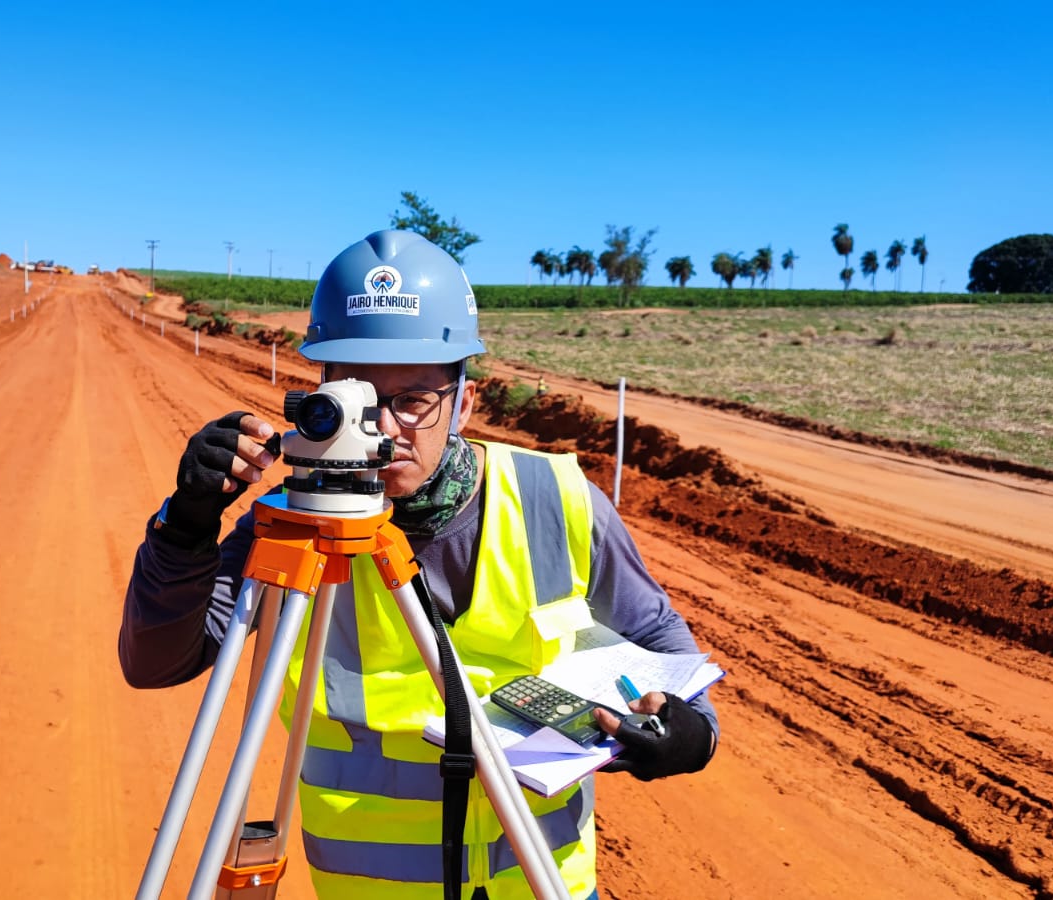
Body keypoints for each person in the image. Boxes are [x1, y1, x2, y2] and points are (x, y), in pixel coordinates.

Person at [121, 230, 719, 900]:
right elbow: (156, 663)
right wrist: (187, 527)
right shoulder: (291, 525)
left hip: (538, 884)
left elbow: (666, 649)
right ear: (318, 396)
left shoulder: (557, 501)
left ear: (462, 402)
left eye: (412, 400)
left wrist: (690, 732)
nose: (383, 427)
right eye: (356, 398)